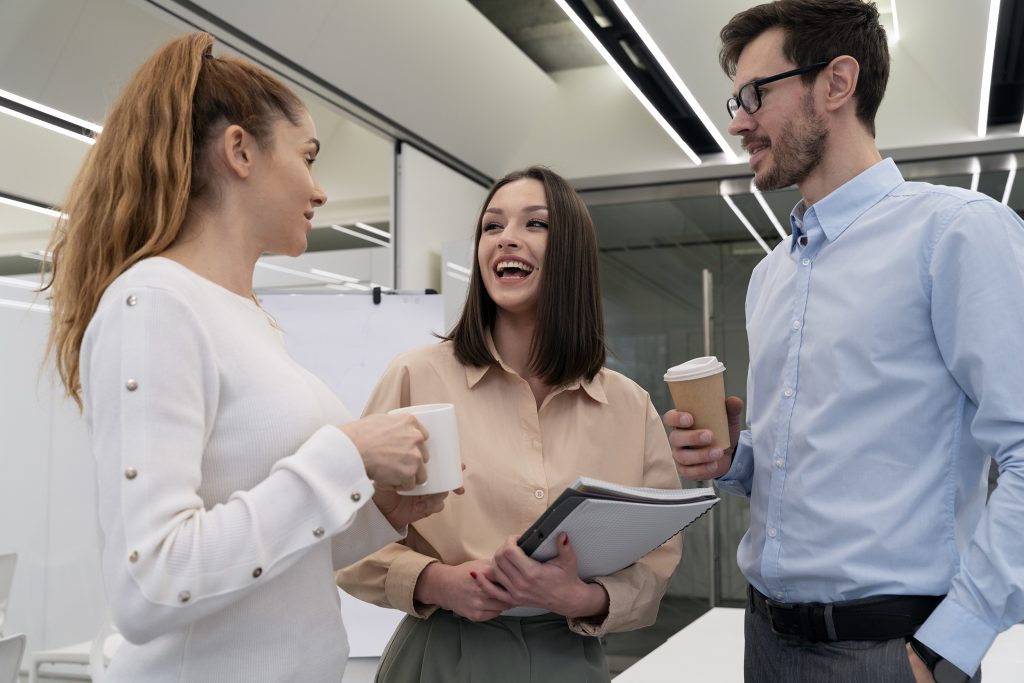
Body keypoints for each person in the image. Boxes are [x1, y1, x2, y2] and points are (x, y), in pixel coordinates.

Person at [44, 32, 452, 682]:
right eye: (308, 158)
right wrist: (346, 455)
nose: (320, 191)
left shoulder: (245, 318)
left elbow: (270, 554)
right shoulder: (154, 304)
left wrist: (378, 513)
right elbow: (151, 582)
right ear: (240, 151)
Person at [664, 2, 1024, 682]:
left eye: (753, 95)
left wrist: (946, 650)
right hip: (765, 640)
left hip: (893, 651)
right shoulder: (770, 275)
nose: (737, 121)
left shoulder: (956, 234)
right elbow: (807, 463)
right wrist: (735, 455)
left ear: (835, 83)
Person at [337, 166, 683, 682]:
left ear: (571, 252)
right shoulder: (417, 376)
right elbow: (346, 531)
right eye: (492, 226)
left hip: (569, 659)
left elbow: (657, 560)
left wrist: (584, 597)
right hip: (442, 653)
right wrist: (435, 581)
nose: (506, 240)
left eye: (535, 224)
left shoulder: (629, 405)